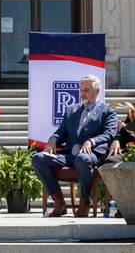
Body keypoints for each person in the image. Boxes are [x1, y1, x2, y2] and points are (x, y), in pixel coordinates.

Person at [31, 74, 117, 218]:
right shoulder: (71, 110)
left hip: (89, 154)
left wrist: (92, 141)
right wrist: (53, 139)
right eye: (81, 89)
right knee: (38, 158)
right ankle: (59, 201)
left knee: (82, 159)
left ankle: (85, 201)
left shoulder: (107, 111)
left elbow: (109, 134)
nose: (82, 93)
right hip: (69, 153)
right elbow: (61, 132)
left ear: (97, 91)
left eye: (86, 90)